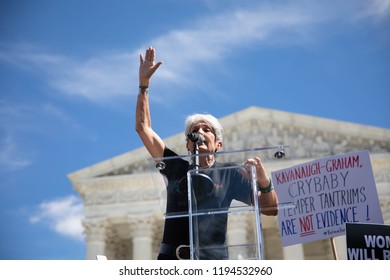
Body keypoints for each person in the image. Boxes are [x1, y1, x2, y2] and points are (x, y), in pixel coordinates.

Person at [135, 47, 278, 260]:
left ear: (218, 144)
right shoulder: (177, 168)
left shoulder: (229, 174)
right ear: (187, 145)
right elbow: (143, 128)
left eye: (206, 129)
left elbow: (271, 209)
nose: (199, 133)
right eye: (194, 131)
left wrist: (265, 183)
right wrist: (143, 85)